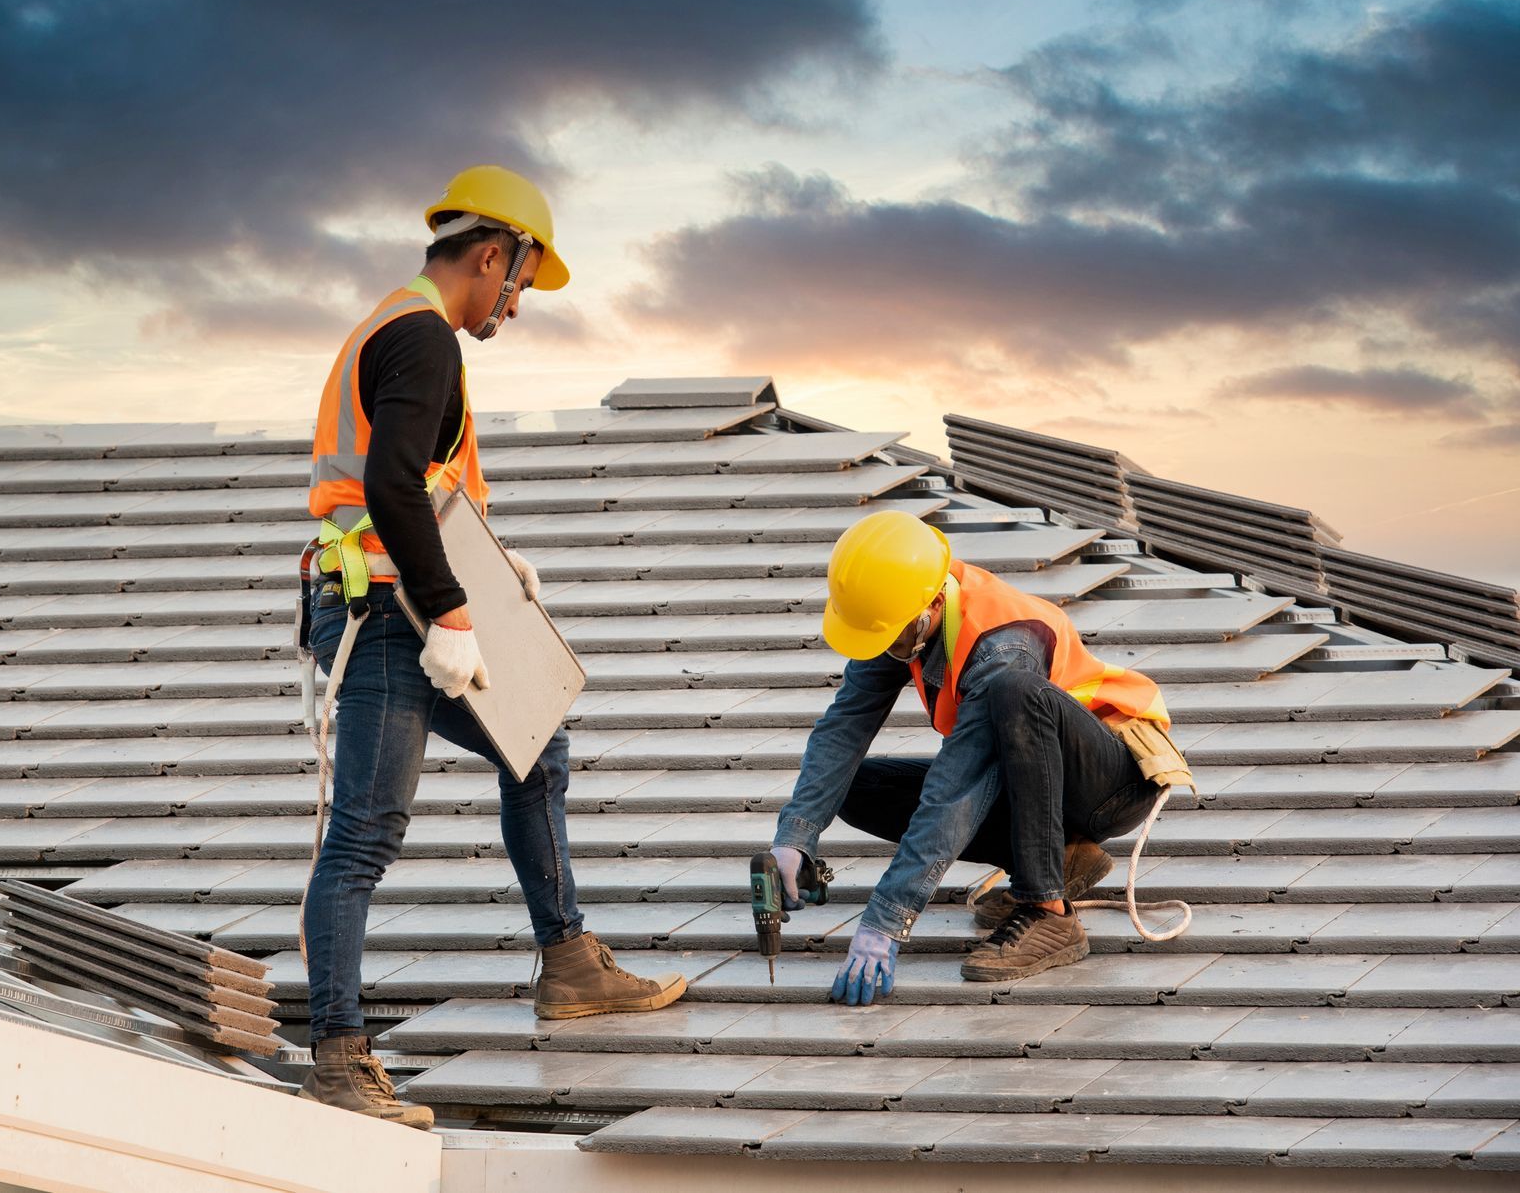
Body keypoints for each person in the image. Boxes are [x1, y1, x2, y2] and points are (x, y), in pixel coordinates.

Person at [299, 166, 685, 1128]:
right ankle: (338, 1058)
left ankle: (569, 962)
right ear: (489, 256)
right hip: (387, 617)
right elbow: (390, 487)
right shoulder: (423, 336)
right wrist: (452, 612)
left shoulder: (399, 327)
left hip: (403, 600)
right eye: (519, 286)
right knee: (364, 835)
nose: (515, 307)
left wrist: (486, 562)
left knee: (537, 744)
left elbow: (416, 487)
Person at [769, 510, 1172, 1003]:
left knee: (1014, 692)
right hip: (1045, 785)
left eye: (893, 637)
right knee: (853, 789)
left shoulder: (1004, 645)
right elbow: (844, 728)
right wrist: (796, 835)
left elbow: (956, 790)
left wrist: (887, 919)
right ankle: (1063, 858)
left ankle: (1048, 912)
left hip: (1111, 781)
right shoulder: (903, 613)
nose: (887, 649)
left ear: (933, 604)